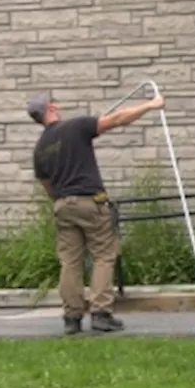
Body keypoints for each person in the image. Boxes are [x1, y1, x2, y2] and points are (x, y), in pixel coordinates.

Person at [29, 93, 165, 335]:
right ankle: (101, 313)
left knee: (70, 262)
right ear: (51, 108)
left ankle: (72, 318)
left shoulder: (39, 149)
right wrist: (151, 105)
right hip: (90, 201)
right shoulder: (76, 127)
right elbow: (117, 120)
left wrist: (63, 200)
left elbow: (47, 185)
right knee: (104, 254)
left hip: (62, 205)